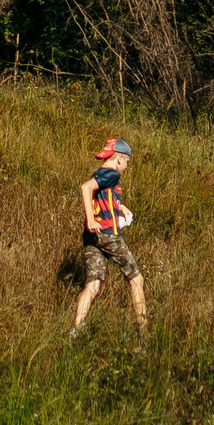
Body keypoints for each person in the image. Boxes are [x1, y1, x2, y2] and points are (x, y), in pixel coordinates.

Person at [70, 137, 146, 338]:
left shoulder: (102, 174)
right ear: (120, 159)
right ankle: (144, 332)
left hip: (91, 237)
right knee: (137, 279)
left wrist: (121, 207)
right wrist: (91, 219)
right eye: (127, 162)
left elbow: (104, 197)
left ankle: (75, 330)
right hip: (106, 234)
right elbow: (86, 188)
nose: (127, 167)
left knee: (93, 284)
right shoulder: (111, 174)